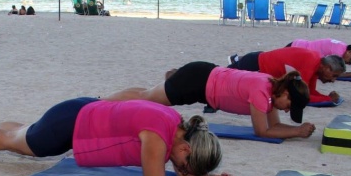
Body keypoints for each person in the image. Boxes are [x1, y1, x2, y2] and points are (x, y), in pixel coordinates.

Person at [0, 98, 234, 176]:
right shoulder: (158, 137)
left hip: (79, 114)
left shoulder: (174, 123)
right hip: (71, 123)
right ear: (185, 149)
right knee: (15, 144)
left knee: (21, 136)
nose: (179, 171)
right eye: (182, 166)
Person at [106, 62, 315, 139]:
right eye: (289, 106)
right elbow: (262, 131)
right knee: (148, 98)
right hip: (197, 82)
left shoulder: (271, 89)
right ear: (285, 93)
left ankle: (105, 100)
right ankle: (103, 103)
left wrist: (295, 131)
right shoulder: (262, 92)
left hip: (203, 74)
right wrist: (297, 131)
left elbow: (275, 125)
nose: (288, 111)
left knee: (148, 94)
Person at [226, 47, 345, 104]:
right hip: (256, 65)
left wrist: (326, 97)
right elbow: (301, 96)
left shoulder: (316, 64)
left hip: (257, 62)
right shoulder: (311, 63)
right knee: (221, 77)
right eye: (333, 75)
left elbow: (309, 91)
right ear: (327, 68)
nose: (333, 80)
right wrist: (328, 99)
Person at [286, 39, 351, 79]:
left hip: (297, 45)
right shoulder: (337, 53)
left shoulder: (342, 46)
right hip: (296, 51)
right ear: (349, 52)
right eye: (350, 61)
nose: (348, 63)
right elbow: (332, 73)